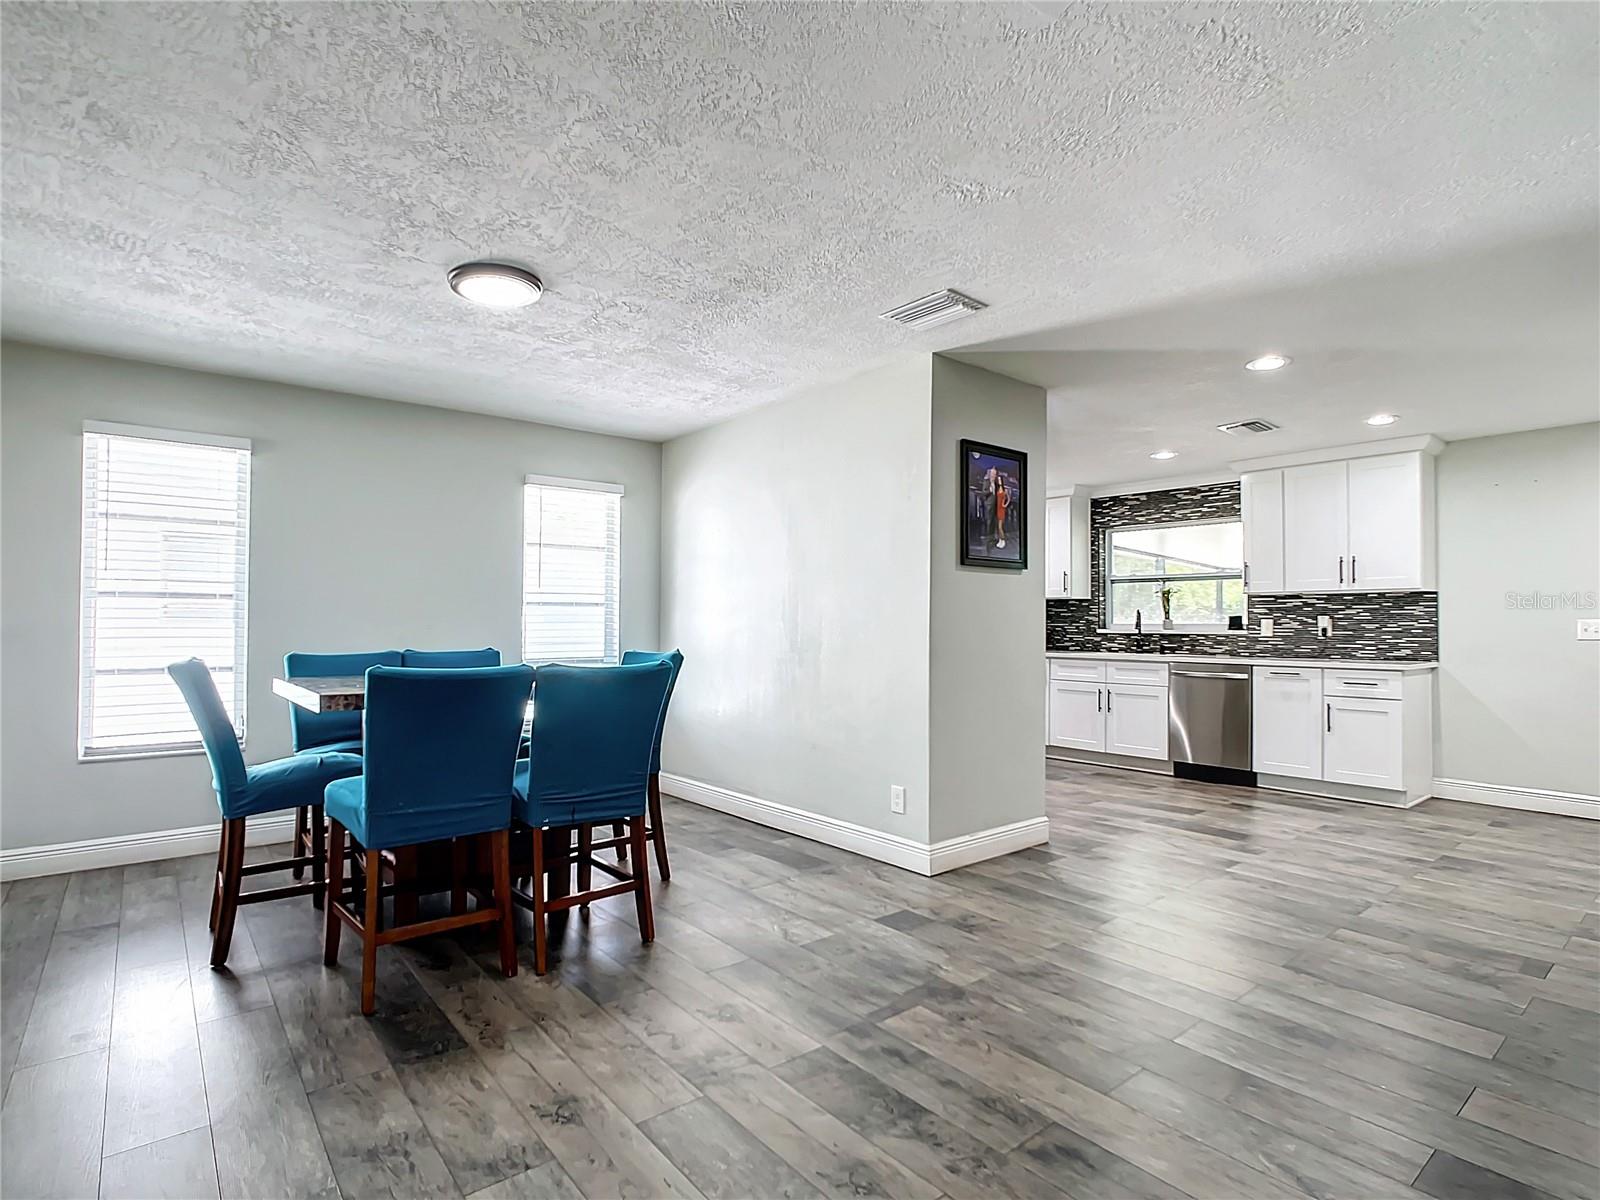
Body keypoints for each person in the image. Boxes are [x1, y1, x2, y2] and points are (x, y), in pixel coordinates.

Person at [994, 471, 1009, 549]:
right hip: (998, 509)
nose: (999, 481)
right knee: (998, 526)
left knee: (1000, 527)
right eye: (998, 479)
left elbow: (1008, 498)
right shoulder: (997, 489)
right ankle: (1000, 540)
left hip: (1002, 509)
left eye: (1000, 479)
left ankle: (1003, 540)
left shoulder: (1005, 490)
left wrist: (1005, 505)